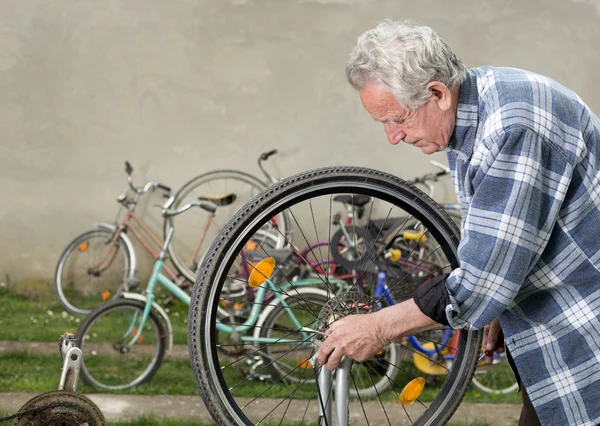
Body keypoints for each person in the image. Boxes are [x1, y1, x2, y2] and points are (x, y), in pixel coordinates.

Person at [316, 19, 600, 426]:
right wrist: (498, 306)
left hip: (585, 329)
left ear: (437, 94)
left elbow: (483, 280)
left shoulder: (511, 127)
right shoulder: (477, 107)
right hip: (561, 327)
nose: (392, 137)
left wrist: (378, 327)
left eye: (397, 119)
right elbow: (512, 235)